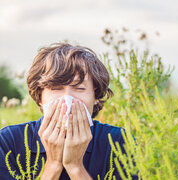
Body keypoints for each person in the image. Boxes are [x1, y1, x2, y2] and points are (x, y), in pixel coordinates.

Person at [0, 43, 138, 179]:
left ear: (96, 96)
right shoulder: (8, 142)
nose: (68, 100)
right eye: (56, 88)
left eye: (79, 89)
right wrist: (53, 164)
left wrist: (75, 167)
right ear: (39, 97)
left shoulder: (118, 142)